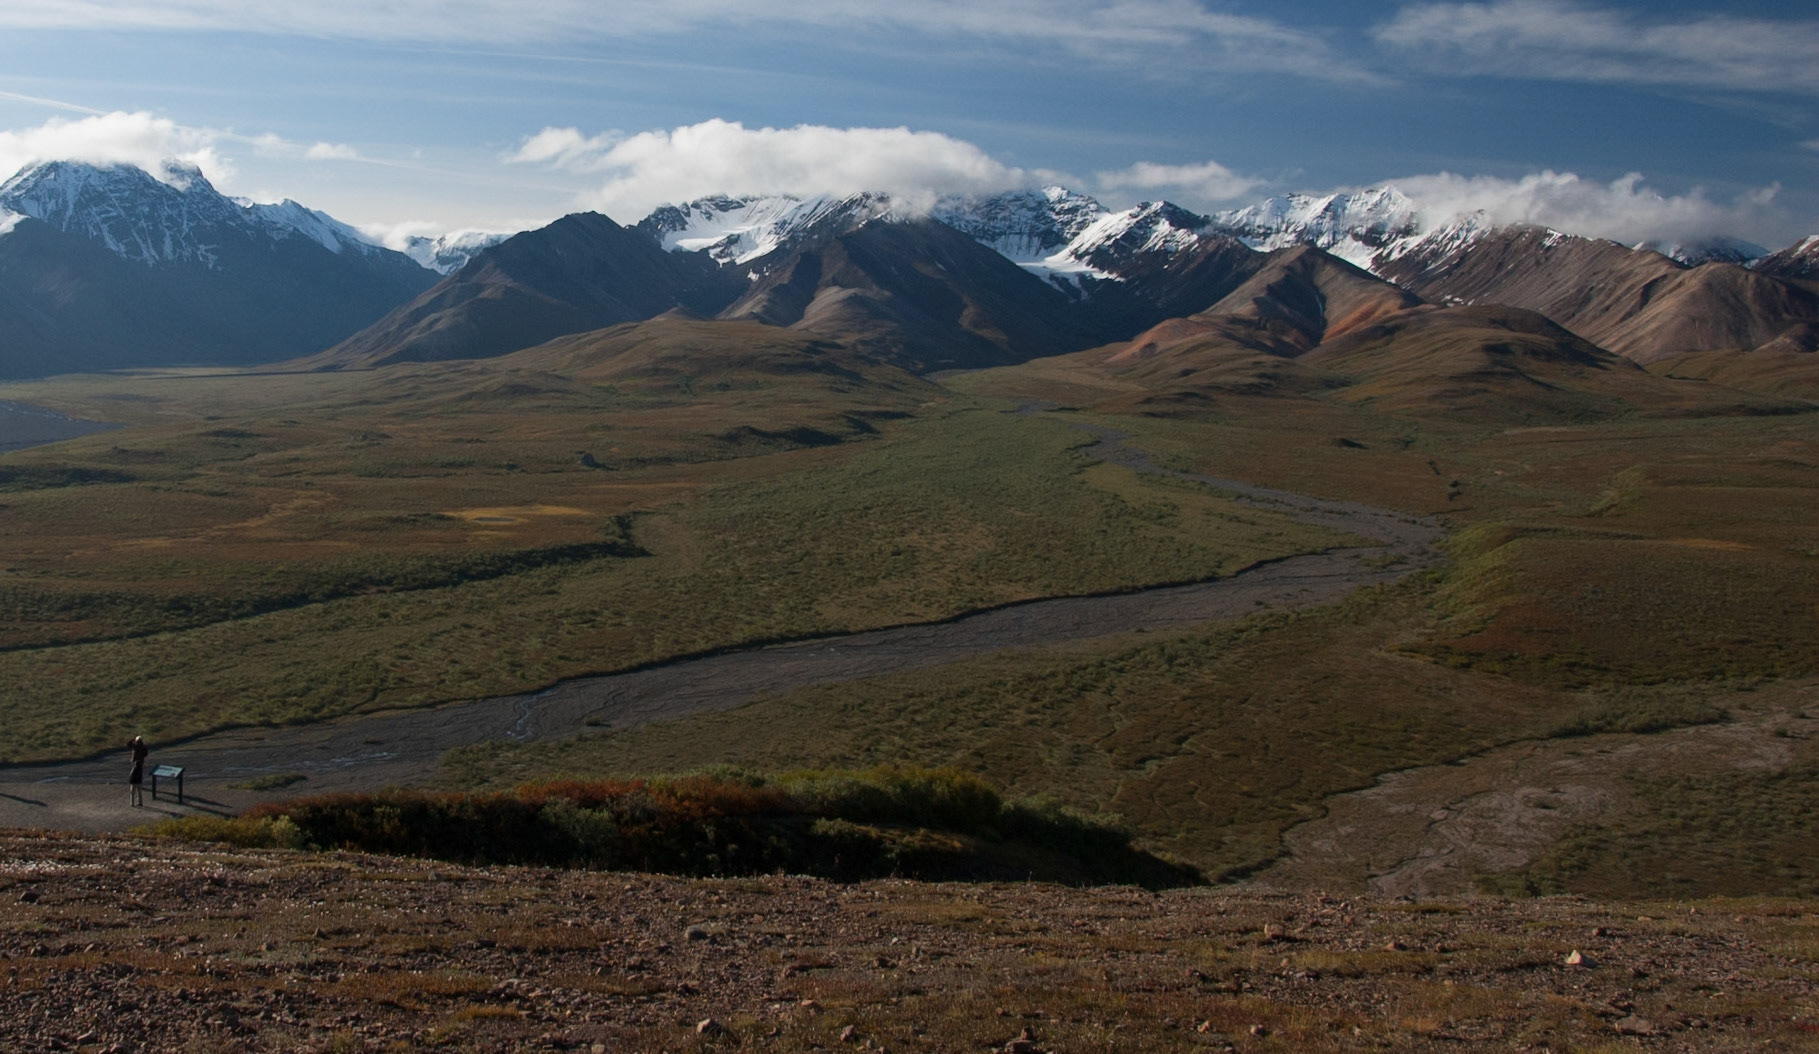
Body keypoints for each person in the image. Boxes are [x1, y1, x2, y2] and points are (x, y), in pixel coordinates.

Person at [128, 736, 148, 807]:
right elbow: (146, 754)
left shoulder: (135, 745)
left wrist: (133, 739)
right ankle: (140, 802)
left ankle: (132, 803)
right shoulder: (144, 746)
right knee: (140, 773)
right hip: (141, 761)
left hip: (135, 761)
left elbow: (128, 744)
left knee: (134, 772)